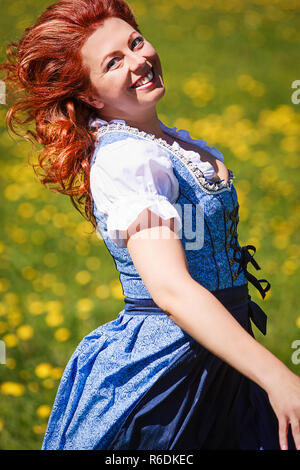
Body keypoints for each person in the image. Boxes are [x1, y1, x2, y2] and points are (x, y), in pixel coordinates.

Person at [1, 0, 300, 451]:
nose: (140, 60)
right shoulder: (128, 158)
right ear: (89, 95)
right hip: (165, 373)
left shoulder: (169, 144)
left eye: (135, 42)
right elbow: (172, 289)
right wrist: (278, 375)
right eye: (113, 61)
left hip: (225, 355)